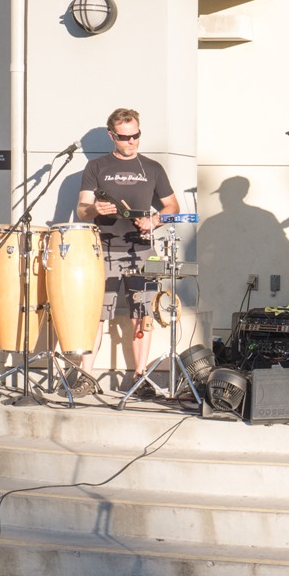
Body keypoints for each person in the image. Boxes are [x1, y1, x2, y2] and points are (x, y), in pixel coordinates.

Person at [77, 107, 180, 390]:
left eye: (136, 136)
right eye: (124, 137)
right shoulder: (96, 168)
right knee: (96, 314)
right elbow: (82, 209)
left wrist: (155, 219)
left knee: (142, 313)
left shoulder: (153, 168)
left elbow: (173, 207)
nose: (131, 142)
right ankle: (86, 377)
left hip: (142, 250)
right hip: (104, 250)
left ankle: (140, 376)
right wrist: (95, 207)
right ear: (112, 136)